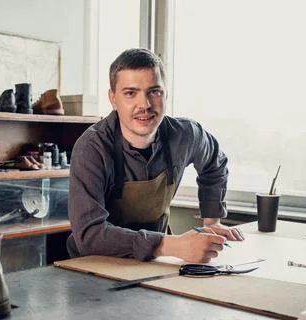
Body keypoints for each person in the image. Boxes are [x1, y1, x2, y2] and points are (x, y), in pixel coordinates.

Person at [66, 48, 244, 263]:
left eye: (154, 91)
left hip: (155, 261)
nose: (145, 105)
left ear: (166, 93)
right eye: (131, 93)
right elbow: (89, 236)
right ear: (113, 99)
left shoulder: (186, 134)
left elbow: (215, 164)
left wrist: (211, 221)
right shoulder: (91, 148)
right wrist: (172, 245)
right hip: (97, 264)